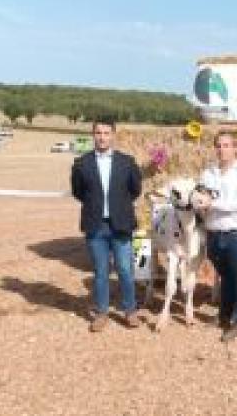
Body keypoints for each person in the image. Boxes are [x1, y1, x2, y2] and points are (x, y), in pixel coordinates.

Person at [71, 117, 142, 332]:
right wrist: (97, 205)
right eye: (98, 133)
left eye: (106, 133)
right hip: (95, 226)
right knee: (100, 271)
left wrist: (117, 205)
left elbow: (135, 190)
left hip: (121, 224)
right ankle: (101, 312)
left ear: (113, 135)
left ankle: (129, 311)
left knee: (125, 270)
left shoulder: (127, 162)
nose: (102, 137)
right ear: (93, 135)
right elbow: (78, 192)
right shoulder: (81, 163)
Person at [196, 131, 237, 342]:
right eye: (219, 146)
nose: (222, 149)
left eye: (226, 145)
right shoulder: (208, 173)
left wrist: (213, 205)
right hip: (215, 232)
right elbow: (199, 195)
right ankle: (224, 315)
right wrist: (198, 203)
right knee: (226, 275)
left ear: (235, 148)